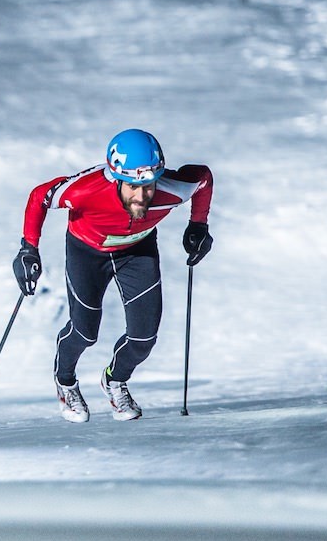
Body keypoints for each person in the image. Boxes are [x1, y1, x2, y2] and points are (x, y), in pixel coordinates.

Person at [13, 129, 213, 422]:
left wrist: (198, 225)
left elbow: (203, 178)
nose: (142, 195)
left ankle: (115, 380)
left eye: (149, 186)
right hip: (87, 253)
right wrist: (28, 248)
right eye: (133, 186)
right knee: (85, 332)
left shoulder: (173, 189)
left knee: (144, 339)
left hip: (137, 252)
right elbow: (40, 196)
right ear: (117, 178)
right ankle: (65, 381)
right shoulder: (86, 191)